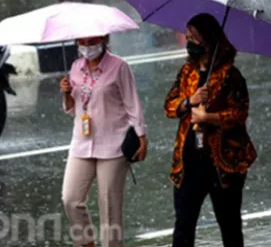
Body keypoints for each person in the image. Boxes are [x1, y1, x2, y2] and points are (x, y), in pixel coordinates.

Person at [163, 13, 258, 247]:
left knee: (229, 226)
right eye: (187, 36)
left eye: (193, 37)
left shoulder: (230, 76)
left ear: (208, 40)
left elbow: (239, 113)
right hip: (189, 163)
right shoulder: (187, 72)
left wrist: (209, 117)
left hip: (223, 164)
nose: (189, 42)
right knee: (183, 226)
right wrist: (189, 101)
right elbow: (169, 106)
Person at [60, 35, 148, 247]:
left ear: (104, 39)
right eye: (82, 42)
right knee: (70, 199)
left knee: (109, 208)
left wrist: (142, 136)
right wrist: (66, 94)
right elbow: (73, 108)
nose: (87, 47)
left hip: (113, 144)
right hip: (82, 143)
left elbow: (132, 103)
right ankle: (86, 243)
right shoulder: (75, 67)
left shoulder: (119, 67)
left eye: (92, 42)